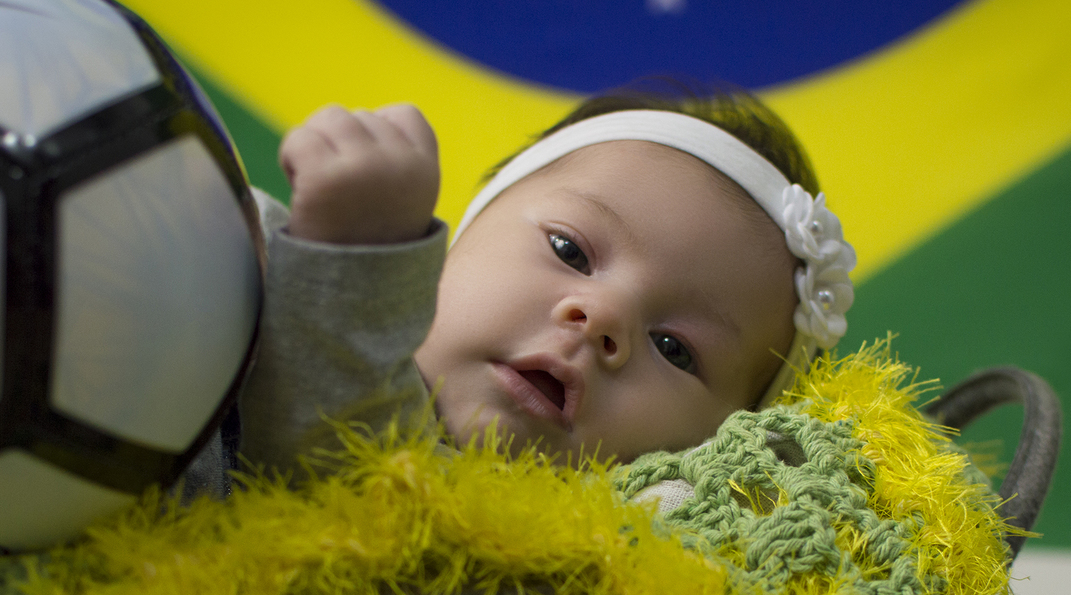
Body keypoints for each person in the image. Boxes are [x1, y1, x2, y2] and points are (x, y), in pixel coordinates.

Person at [232, 84, 856, 480]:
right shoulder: (249, 262)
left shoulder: (597, 561)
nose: (603, 316)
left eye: (675, 348)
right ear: (455, 240)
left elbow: (338, 479)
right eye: (570, 251)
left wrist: (350, 271)